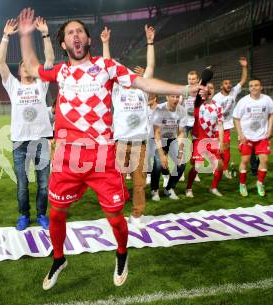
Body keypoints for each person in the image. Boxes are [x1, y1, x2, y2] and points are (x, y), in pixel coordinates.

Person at [17, 8, 205, 290]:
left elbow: (144, 82)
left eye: (80, 31)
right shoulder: (60, 71)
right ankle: (58, 259)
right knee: (56, 213)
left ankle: (121, 253)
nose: (75, 35)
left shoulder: (107, 67)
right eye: (70, 33)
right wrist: (24, 34)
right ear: (65, 44)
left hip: (102, 156)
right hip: (68, 157)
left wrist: (185, 90)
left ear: (88, 39)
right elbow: (31, 66)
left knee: (115, 216)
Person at [0, 18, 54, 230]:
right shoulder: (12, 86)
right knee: (22, 185)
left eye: (30, 66)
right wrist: (5, 37)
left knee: (43, 184)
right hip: (20, 143)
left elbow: (49, 61)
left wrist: (45, 35)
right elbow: (0, 63)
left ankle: (41, 215)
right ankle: (23, 215)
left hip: (40, 141)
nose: (27, 68)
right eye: (24, 66)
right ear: (19, 71)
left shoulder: (42, 84)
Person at [103, 24, 156, 229]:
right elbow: (108, 65)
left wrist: (150, 41)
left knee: (139, 182)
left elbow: (150, 66)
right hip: (121, 141)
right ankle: (116, 212)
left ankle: (136, 214)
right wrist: (106, 43)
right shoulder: (117, 89)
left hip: (139, 142)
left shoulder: (142, 88)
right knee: (116, 181)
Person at [233, 78, 273, 197]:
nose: (254, 87)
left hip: (262, 136)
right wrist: (240, 135)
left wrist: (270, 128)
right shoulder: (243, 101)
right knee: (245, 161)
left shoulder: (267, 100)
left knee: (265, 160)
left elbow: (272, 114)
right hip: (247, 137)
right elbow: (236, 118)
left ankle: (260, 183)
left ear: (261, 87)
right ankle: (242, 184)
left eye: (256, 85)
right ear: (249, 88)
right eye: (251, 86)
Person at [186, 82, 225, 197]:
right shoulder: (198, 103)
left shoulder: (218, 106)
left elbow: (220, 125)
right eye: (206, 88)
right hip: (199, 140)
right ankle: (188, 188)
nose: (208, 90)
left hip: (212, 140)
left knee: (220, 165)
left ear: (214, 90)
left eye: (211, 88)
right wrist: (204, 79)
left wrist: (221, 142)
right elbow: (198, 93)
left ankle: (213, 187)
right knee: (198, 166)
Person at [212, 57, 248, 179]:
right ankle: (216, 166)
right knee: (217, 148)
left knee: (226, 147)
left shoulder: (233, 92)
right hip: (216, 125)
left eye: (229, 83)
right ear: (221, 86)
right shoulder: (217, 98)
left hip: (226, 125)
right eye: (226, 83)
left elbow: (243, 80)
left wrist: (244, 66)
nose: (229, 85)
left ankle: (225, 169)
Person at [151, 94, 187, 201]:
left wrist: (180, 151)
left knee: (181, 164)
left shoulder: (182, 110)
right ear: (167, 97)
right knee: (158, 165)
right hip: (159, 139)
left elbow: (181, 132)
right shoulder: (159, 110)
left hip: (172, 139)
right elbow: (156, 132)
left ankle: (169, 188)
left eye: (177, 97)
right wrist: (162, 155)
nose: (175, 99)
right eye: (172, 96)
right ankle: (154, 189)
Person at [181, 70, 201, 182]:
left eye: (193, 79)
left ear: (197, 79)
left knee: (196, 149)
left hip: (197, 123)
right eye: (189, 79)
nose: (191, 81)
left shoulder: (200, 91)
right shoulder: (185, 90)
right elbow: (179, 104)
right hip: (185, 123)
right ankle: (181, 172)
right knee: (182, 148)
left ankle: (195, 173)